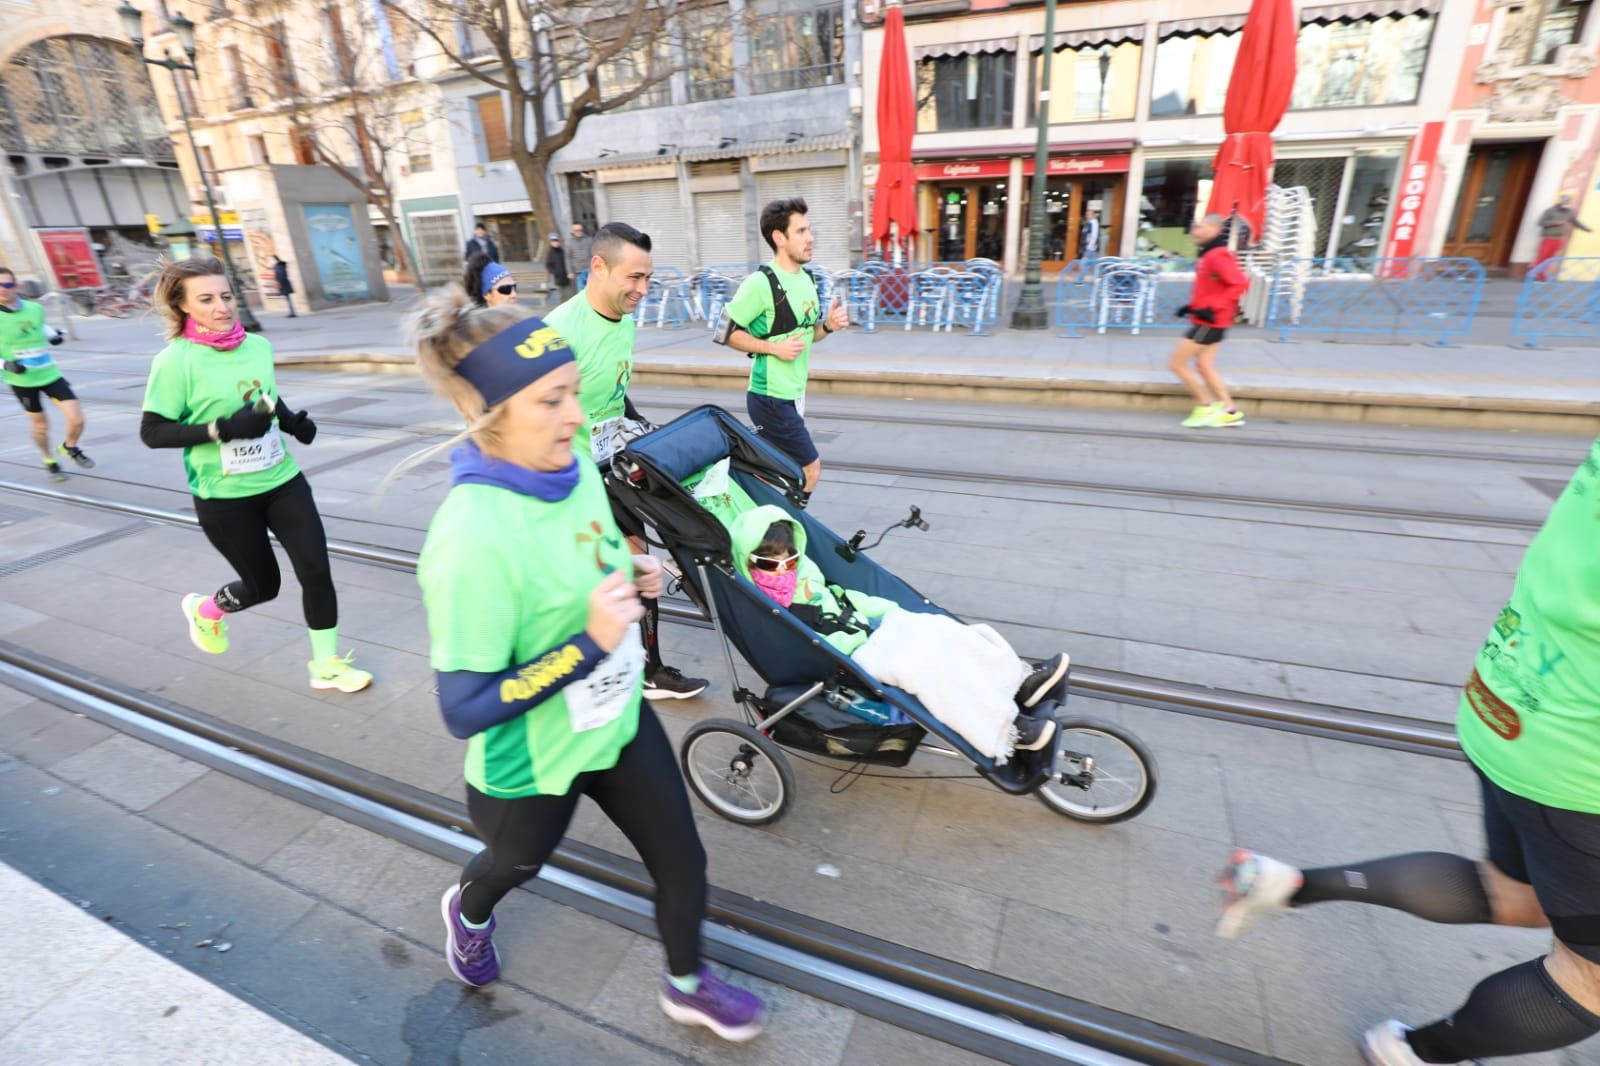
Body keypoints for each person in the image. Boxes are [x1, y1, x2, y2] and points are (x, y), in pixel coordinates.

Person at [409, 289, 766, 1042]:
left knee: (683, 857)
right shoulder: (470, 537)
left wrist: (630, 574)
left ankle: (686, 984)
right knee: (513, 866)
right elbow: (462, 708)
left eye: (574, 392)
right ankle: (467, 912)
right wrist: (588, 642)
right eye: (551, 400)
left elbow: (590, 556)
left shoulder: (569, 468)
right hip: (529, 760)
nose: (577, 416)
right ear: (490, 410)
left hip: (614, 719)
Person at [1215, 436, 1600, 1066]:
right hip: (1585, 762)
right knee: (1588, 980)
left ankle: (1290, 885)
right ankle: (1413, 1054)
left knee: (1512, 892)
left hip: (1512, 696)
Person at [140, 257, 372, 694]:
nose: (221, 307)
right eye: (206, 299)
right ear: (184, 306)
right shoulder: (175, 362)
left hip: (281, 481)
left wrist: (291, 422)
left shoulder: (258, 347)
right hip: (224, 496)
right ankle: (206, 611)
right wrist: (222, 430)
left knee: (316, 571)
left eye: (225, 296)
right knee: (263, 586)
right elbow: (152, 432)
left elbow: (263, 398)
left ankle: (326, 665)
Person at [735, 508, 1067, 762]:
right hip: (853, 655)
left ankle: (1019, 679)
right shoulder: (761, 601)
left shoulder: (804, 571)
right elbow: (808, 644)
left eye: (789, 558)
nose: (783, 569)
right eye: (770, 563)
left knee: (945, 631)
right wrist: (861, 635)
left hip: (871, 626)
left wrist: (891, 610)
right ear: (749, 560)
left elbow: (842, 596)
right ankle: (1005, 731)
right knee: (930, 673)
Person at [544, 222, 709, 702]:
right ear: (598, 266)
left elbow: (612, 395)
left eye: (647, 279)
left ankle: (641, 668)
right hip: (571, 478)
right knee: (627, 562)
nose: (642, 290)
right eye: (633, 278)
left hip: (610, 462)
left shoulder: (624, 320)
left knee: (637, 559)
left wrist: (640, 429)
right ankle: (618, 668)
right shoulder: (559, 332)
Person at [718, 198, 848, 499]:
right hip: (770, 396)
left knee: (774, 469)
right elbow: (724, 332)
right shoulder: (760, 283)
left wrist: (827, 326)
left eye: (809, 230)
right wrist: (773, 349)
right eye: (801, 231)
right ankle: (784, 530)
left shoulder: (808, 280)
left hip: (794, 393)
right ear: (780, 238)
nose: (810, 238)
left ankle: (750, 511)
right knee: (810, 469)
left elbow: (806, 335)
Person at [0, 266, 92, 480]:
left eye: (7, 284)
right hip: (22, 380)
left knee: (77, 419)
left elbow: (39, 327)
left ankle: (69, 446)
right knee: (41, 425)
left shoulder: (34, 308)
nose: (3, 289)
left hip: (49, 374)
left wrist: (54, 336)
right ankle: (48, 458)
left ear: (16, 285)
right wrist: (6, 365)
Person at [1169, 214, 1247, 429]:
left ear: (1214, 228)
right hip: (1211, 319)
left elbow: (1239, 283)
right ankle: (1229, 410)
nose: (1194, 231)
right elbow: (1211, 288)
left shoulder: (1217, 255)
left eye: (1199, 227)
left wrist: (1212, 308)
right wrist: (1191, 307)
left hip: (1209, 321)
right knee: (1204, 365)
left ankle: (1205, 407)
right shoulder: (1209, 254)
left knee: (1177, 364)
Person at [1532, 193, 1591, 281]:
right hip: (1548, 238)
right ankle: (1534, 275)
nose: (1567, 204)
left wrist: (1586, 228)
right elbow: (1540, 222)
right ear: (1560, 202)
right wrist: (1554, 222)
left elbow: (1576, 222)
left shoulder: (1569, 213)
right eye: (1565, 202)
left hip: (1559, 239)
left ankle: (1541, 275)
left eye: (1568, 202)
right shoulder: (1550, 211)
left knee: (1549, 259)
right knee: (1542, 257)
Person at [543, 233, 572, 302]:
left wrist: (568, 271)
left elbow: (566, 261)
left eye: (556, 241)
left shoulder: (561, 251)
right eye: (553, 241)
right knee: (562, 295)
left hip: (565, 275)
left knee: (568, 294)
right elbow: (548, 265)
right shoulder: (550, 252)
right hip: (558, 277)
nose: (555, 243)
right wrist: (555, 272)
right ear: (550, 242)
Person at [568, 222, 593, 289]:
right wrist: (569, 271)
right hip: (578, 271)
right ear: (573, 231)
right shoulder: (570, 242)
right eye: (576, 230)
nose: (578, 232)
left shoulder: (589, 240)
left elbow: (593, 254)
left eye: (580, 230)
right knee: (581, 290)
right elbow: (568, 258)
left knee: (591, 289)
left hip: (589, 270)